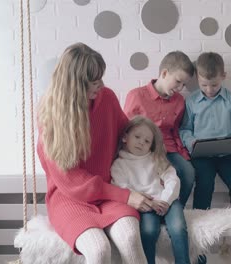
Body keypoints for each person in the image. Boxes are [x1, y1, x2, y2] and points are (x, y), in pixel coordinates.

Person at [36, 42, 151, 264]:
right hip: (69, 199)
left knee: (129, 237)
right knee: (98, 250)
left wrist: (152, 144)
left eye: (101, 78)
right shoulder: (50, 119)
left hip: (108, 191)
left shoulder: (106, 98)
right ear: (75, 85)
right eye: (95, 81)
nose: (101, 85)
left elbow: (124, 136)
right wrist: (126, 195)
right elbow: (73, 183)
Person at [179, 52, 231, 264]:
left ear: (223, 76)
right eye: (204, 85)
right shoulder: (192, 102)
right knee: (204, 186)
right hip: (202, 156)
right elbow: (184, 129)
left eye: (213, 85)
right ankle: (199, 245)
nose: (209, 90)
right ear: (198, 81)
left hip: (227, 155)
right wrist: (192, 142)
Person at [111, 116, 191, 264]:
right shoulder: (119, 165)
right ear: (124, 137)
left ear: (151, 146)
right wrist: (149, 203)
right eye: (137, 137)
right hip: (145, 206)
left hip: (166, 201)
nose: (141, 142)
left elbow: (172, 179)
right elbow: (121, 187)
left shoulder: (154, 159)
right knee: (148, 232)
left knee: (178, 228)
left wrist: (165, 200)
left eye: (147, 141)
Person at [124, 51, 195, 207]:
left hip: (170, 149)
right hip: (145, 150)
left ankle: (173, 209)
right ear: (164, 73)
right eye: (178, 81)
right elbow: (127, 129)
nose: (180, 87)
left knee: (188, 173)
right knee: (151, 179)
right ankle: (151, 208)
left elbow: (175, 130)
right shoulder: (136, 95)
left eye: (184, 84)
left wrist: (184, 154)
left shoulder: (179, 101)